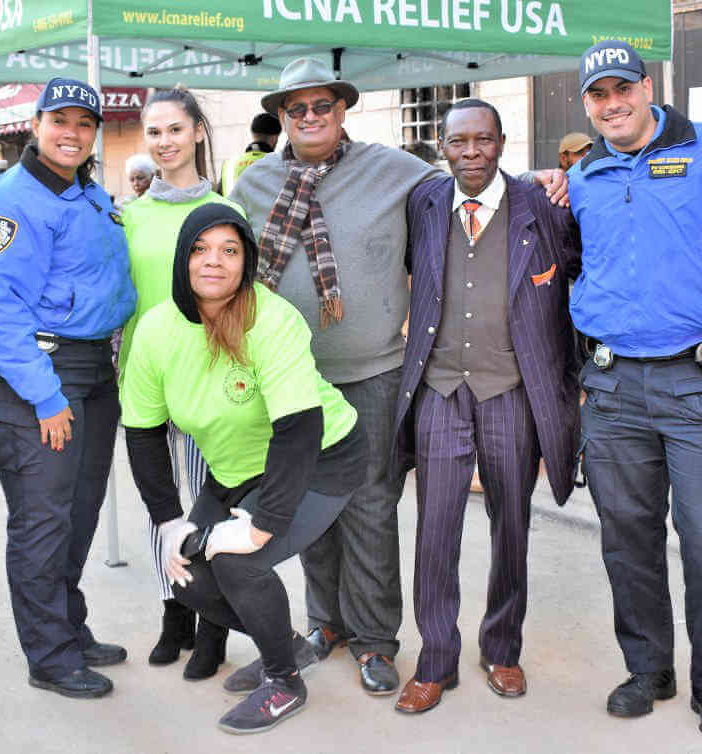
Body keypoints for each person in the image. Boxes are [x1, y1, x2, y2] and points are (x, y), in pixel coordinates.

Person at [229, 56, 568, 696]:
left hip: (374, 371)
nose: (309, 117)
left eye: (321, 106)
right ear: (280, 116)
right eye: (295, 108)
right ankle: (323, 623)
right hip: (290, 377)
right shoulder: (253, 184)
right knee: (302, 503)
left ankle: (375, 637)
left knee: (370, 505)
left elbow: (473, 183)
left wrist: (546, 181)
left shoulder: (395, 171)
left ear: (342, 110)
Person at [568, 39, 702, 743]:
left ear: (648, 86)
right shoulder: (587, 172)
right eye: (598, 95)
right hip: (613, 385)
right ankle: (648, 668)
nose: (613, 104)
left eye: (623, 88)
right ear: (588, 105)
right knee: (626, 539)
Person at [122, 202, 366, 734]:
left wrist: (258, 527)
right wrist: (169, 521)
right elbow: (142, 433)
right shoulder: (157, 330)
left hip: (322, 457)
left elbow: (298, 432)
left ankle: (283, 681)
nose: (214, 261)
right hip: (237, 469)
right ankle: (289, 645)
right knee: (183, 568)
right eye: (201, 249)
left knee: (238, 563)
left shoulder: (271, 319)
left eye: (229, 250)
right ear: (183, 260)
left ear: (246, 261)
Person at [392, 99, 581, 714]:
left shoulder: (541, 206)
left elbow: (581, 274)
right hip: (440, 388)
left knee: (513, 527)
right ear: (442, 147)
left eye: (483, 140)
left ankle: (502, 647)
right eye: (458, 142)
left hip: (512, 391)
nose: (471, 152)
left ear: (502, 142)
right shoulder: (423, 204)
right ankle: (434, 660)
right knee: (434, 531)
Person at [0, 77, 137, 700]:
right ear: (35, 125)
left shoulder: (88, 192)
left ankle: (68, 626)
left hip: (92, 368)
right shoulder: (14, 199)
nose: (71, 133)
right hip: (36, 374)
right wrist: (45, 396)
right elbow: (0, 313)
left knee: (80, 511)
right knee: (43, 519)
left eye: (84, 123)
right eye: (58, 120)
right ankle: (50, 656)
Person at [120, 88, 242, 678]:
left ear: (197, 132)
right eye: (154, 133)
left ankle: (213, 622)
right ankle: (175, 613)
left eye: (175, 130)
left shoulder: (227, 209)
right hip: (146, 385)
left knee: (207, 507)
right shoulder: (131, 215)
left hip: (210, 383)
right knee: (160, 505)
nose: (164, 142)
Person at [219, 113, 282, 196]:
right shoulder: (281, 165)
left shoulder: (230, 164)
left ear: (253, 134)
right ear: (274, 138)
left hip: (229, 209)